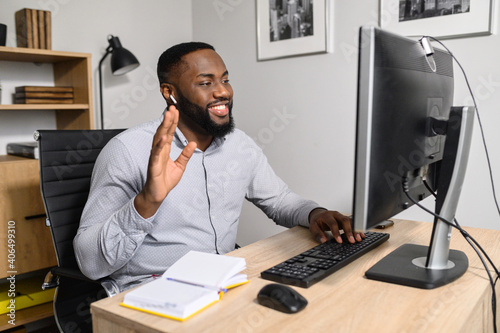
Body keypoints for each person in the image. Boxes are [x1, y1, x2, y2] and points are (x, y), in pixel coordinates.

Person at [74, 42, 364, 292]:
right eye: (205, 83)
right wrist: (146, 203)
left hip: (225, 280)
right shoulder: (127, 151)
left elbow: (278, 199)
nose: (223, 91)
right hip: (156, 289)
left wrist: (315, 213)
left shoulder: (239, 144)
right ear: (170, 92)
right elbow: (89, 262)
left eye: (225, 80)